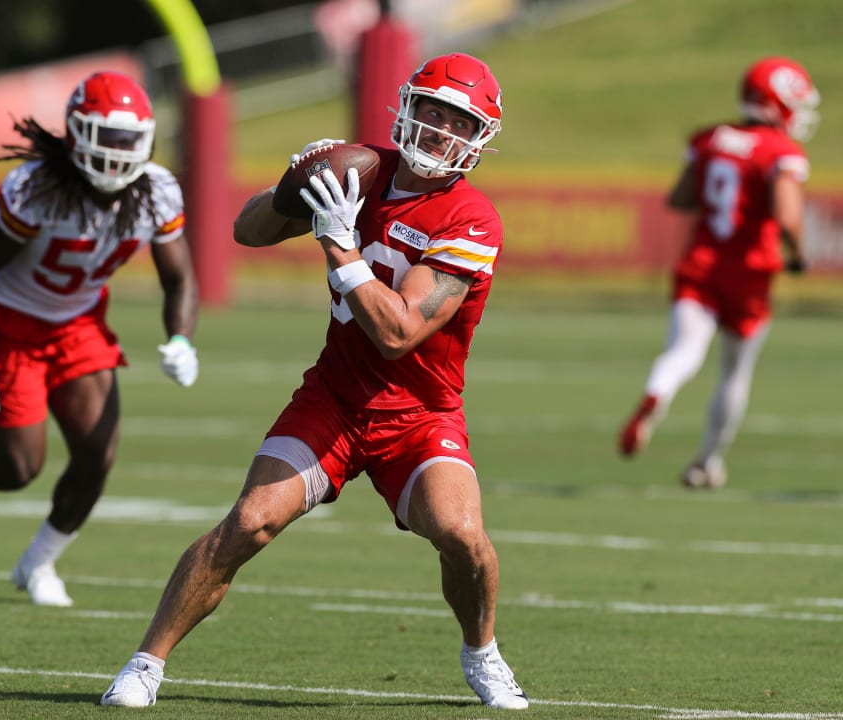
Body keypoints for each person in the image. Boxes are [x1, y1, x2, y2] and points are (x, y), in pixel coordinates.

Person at [101, 52, 529, 710]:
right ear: (406, 108)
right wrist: (293, 188)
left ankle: (482, 650)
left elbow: (398, 332)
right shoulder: (359, 172)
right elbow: (247, 232)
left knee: (461, 533)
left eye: (457, 121)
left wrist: (339, 244)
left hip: (419, 412)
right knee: (247, 522)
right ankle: (144, 663)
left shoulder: (471, 218)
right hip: (335, 397)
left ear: (478, 139)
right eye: (432, 111)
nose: (439, 129)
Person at [0, 71, 199, 607]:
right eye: (106, 137)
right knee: (17, 468)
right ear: (76, 133)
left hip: (79, 324)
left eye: (128, 139)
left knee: (98, 454)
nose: (117, 152)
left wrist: (181, 339)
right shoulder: (35, 189)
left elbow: (179, 276)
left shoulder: (157, 190)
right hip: (10, 324)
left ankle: (39, 562)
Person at [617, 56, 819, 489]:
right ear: (777, 103)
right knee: (734, 372)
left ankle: (658, 393)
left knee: (685, 351)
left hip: (701, 263)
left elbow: (681, 197)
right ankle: (707, 461)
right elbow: (787, 215)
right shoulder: (782, 152)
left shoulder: (711, 139)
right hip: (750, 272)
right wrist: (799, 253)